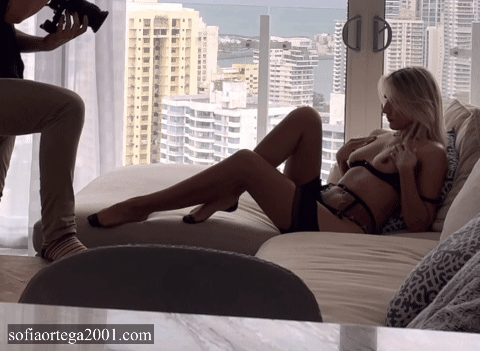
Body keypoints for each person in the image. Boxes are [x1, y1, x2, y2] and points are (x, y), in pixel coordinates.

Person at [88, 66, 448, 235]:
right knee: (307, 116)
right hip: (322, 200)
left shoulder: (432, 153)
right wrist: (342, 160)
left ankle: (142, 206)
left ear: (417, 103)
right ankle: (228, 193)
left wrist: (405, 172)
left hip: (338, 225)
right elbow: (350, 181)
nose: (385, 109)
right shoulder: (383, 136)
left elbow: (419, 223)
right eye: (385, 99)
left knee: (246, 163)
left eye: (393, 102)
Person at [0, 0, 91, 262]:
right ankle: (59, 236)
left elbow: (3, 26)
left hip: (6, 81)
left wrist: (43, 43)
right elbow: (14, 10)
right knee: (67, 108)